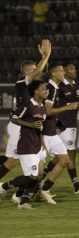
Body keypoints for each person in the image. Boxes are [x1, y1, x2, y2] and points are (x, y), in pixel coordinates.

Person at [0, 39, 51, 185]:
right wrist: (45, 56)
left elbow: (42, 74)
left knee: (21, 161)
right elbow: (39, 72)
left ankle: (30, 188)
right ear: (29, 71)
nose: (37, 71)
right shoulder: (23, 82)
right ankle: (22, 189)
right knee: (11, 162)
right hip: (19, 125)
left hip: (27, 124)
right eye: (34, 69)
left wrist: (45, 58)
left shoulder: (29, 86)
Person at [0, 80, 47, 209]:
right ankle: (4, 187)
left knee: (39, 175)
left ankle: (23, 202)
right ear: (36, 91)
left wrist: (42, 141)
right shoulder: (28, 105)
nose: (46, 91)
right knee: (31, 177)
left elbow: (40, 126)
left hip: (38, 145)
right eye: (43, 89)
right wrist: (30, 124)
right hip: (27, 145)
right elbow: (14, 118)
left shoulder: (42, 106)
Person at [39, 64, 79, 205]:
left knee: (64, 160)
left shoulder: (54, 88)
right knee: (35, 172)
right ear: (54, 74)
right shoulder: (50, 88)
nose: (63, 73)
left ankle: (45, 189)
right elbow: (47, 111)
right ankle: (13, 189)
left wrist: (57, 124)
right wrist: (66, 107)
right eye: (61, 71)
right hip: (44, 134)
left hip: (51, 132)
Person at [54, 63, 79, 194]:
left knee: (65, 156)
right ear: (64, 72)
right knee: (67, 155)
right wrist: (56, 121)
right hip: (62, 125)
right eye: (71, 68)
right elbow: (50, 104)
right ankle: (76, 186)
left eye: (74, 68)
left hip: (72, 124)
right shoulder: (59, 85)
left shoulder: (76, 83)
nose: (74, 70)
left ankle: (40, 181)